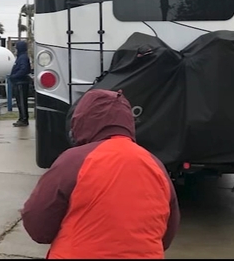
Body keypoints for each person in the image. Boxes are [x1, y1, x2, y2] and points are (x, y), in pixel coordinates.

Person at [21, 89, 180, 259]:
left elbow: (38, 226)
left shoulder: (74, 161)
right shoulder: (155, 164)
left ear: (82, 120)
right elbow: (167, 234)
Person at [10, 40, 32, 127]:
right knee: (20, 102)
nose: (15, 49)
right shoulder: (21, 57)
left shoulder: (22, 57)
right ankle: (21, 118)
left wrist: (14, 76)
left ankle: (23, 119)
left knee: (22, 102)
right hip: (19, 82)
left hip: (21, 83)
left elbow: (24, 69)